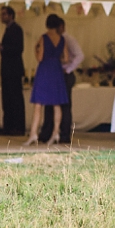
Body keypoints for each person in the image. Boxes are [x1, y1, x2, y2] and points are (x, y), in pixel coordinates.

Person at [25, 14, 69, 146]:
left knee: (38, 104)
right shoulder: (62, 39)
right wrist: (56, 59)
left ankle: (33, 134)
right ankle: (56, 132)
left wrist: (35, 49)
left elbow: (40, 57)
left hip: (44, 70)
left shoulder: (43, 38)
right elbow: (66, 59)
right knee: (57, 104)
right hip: (56, 70)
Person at [40, 18, 83, 144]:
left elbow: (80, 55)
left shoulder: (67, 39)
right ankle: (48, 132)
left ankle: (64, 134)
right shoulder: (50, 38)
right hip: (54, 74)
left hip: (63, 74)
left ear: (61, 27)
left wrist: (68, 69)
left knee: (64, 105)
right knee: (50, 105)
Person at [0, 6, 26, 136]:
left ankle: (18, 127)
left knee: (15, 99)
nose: (2, 17)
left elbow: (18, 48)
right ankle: (8, 126)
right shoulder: (9, 29)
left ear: (10, 15)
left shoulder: (16, 29)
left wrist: (3, 48)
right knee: (7, 99)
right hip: (7, 70)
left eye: (4, 14)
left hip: (13, 70)